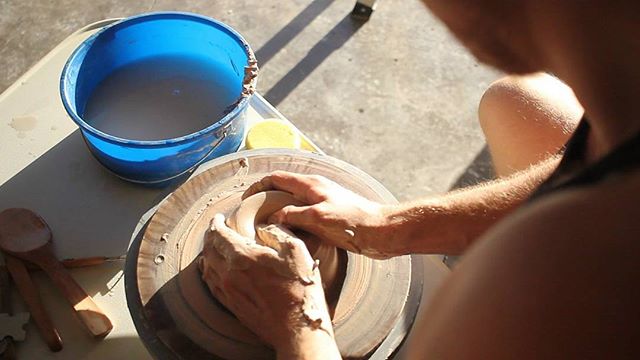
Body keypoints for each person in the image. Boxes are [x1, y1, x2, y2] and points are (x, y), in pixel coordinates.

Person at [199, 1, 640, 358]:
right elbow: (588, 157)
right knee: (521, 105)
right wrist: (387, 229)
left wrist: (298, 324)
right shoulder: (622, 83)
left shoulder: (583, 275)